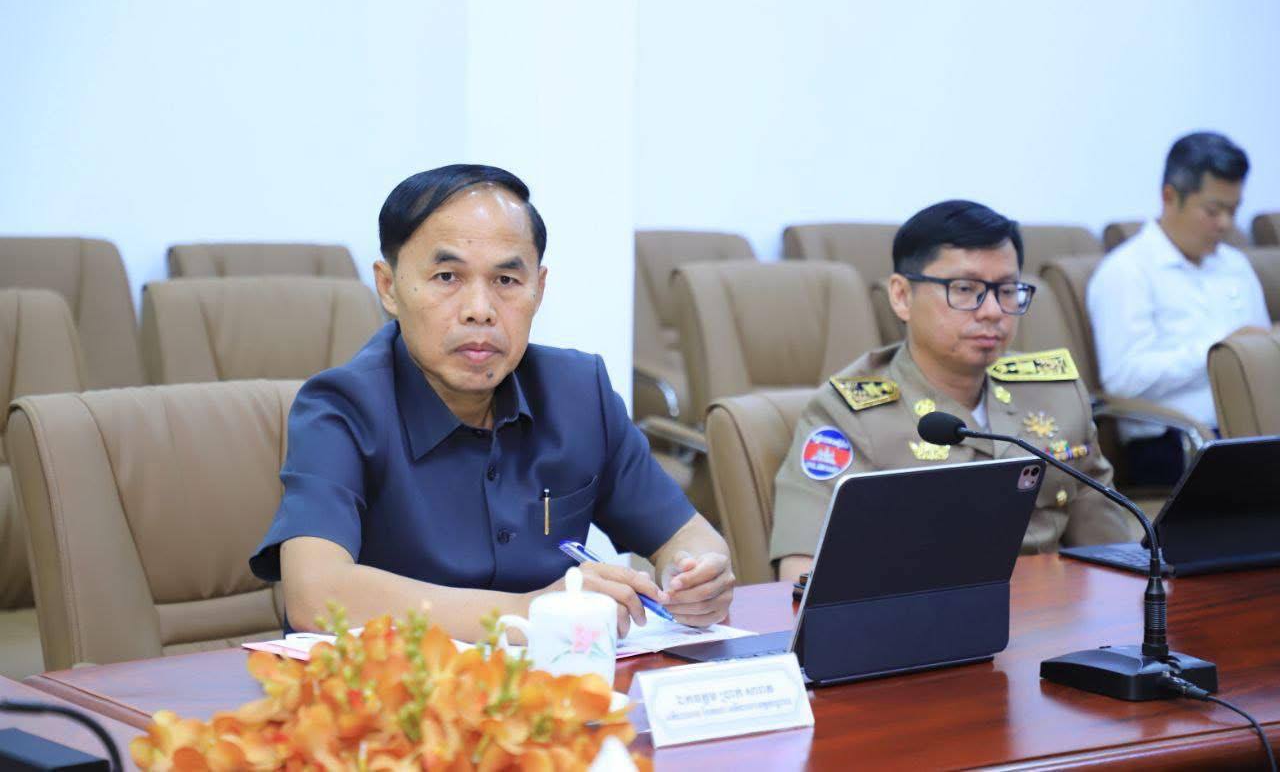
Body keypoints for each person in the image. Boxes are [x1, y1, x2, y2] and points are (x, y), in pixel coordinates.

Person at [250, 164, 733, 640]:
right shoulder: (339, 409)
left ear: (539, 289)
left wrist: (695, 577)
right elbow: (316, 594)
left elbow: (687, 536)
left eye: (506, 281)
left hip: (550, 684)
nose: (479, 310)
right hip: (399, 685)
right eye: (447, 277)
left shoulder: (579, 392)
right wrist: (527, 613)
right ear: (389, 287)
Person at [770, 201, 1131, 582]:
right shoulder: (848, 416)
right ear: (902, 296)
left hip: (1053, 608)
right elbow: (802, 577)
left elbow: (1112, 552)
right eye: (965, 289)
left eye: (1006, 290)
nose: (992, 311)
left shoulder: (1056, 395)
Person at [1088, 132, 1272, 485]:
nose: (1226, 224)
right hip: (1177, 443)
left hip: (1253, 429)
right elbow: (1125, 379)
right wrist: (1219, 351)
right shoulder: (1126, 272)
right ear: (1170, 197)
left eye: (1233, 210)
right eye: (1213, 211)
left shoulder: (1235, 265)